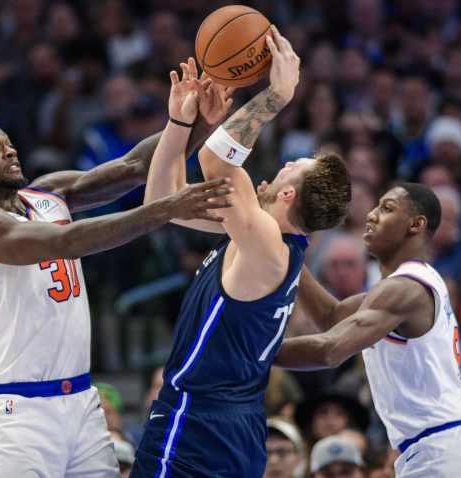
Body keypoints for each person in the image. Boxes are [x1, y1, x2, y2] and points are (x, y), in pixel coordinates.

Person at [0, 96, 233, 474]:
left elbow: (136, 165)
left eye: (9, 144)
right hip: (17, 411)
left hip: (81, 402)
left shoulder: (48, 195)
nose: (10, 151)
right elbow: (65, 241)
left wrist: (194, 122)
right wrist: (165, 209)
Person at [132, 27, 351, 477]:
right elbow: (162, 203)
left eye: (292, 166)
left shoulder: (268, 244)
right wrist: (181, 121)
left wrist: (279, 93)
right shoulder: (256, 241)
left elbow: (216, 160)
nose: (281, 165)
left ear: (289, 195)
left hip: (199, 419)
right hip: (233, 423)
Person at [276, 182, 461, 476]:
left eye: (387, 208)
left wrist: (251, 352)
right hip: (438, 446)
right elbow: (330, 316)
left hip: (444, 447)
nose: (371, 214)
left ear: (416, 224)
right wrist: (286, 249)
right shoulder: (401, 286)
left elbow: (330, 350)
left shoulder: (406, 288)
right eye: (376, 205)